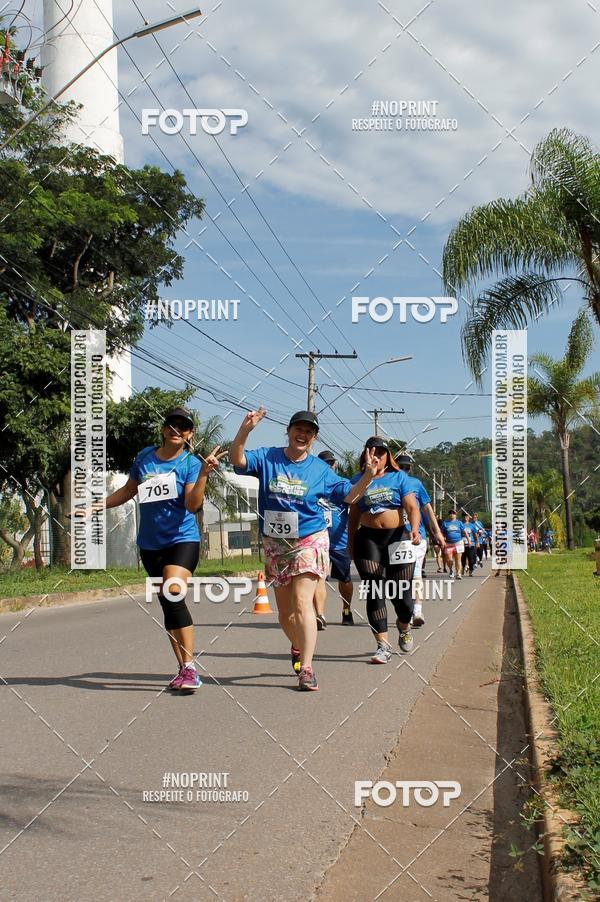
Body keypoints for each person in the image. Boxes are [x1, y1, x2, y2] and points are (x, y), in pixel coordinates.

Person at [72, 407, 225, 693]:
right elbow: (129, 490)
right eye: (172, 424)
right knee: (169, 604)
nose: (176, 430)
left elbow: (192, 505)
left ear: (190, 435)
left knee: (173, 591)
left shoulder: (191, 463)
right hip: (150, 544)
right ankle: (182, 668)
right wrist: (96, 506)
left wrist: (204, 473)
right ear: (163, 429)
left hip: (182, 539)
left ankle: (191, 668)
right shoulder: (145, 457)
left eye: (184, 427)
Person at [230, 408, 377, 691]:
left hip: (310, 539)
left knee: (301, 603)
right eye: (298, 429)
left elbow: (349, 495)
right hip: (275, 542)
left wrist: (368, 476)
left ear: (314, 438)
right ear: (288, 431)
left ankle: (307, 668)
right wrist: (245, 430)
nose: (302, 434)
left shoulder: (320, 470)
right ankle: (297, 646)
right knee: (285, 613)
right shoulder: (268, 457)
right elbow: (238, 460)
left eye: (309, 432)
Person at [347, 437, 420, 664]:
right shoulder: (359, 479)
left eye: (381, 452)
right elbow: (353, 515)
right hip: (368, 540)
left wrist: (415, 529)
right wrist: (350, 542)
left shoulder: (399, 477)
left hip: (398, 538)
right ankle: (383, 646)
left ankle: (403, 625)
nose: (376, 456)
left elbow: (411, 507)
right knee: (374, 589)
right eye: (372, 452)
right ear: (365, 456)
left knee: (403, 599)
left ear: (388, 457)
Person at [394, 453, 445, 628]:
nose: (403, 470)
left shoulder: (416, 484)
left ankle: (417, 611)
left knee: (415, 574)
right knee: (401, 578)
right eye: (400, 466)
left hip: (417, 537)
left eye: (406, 467)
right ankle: (404, 612)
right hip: (395, 539)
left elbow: (427, 508)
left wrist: (437, 531)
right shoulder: (388, 482)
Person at [314, 449, 355, 627]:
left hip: (340, 541)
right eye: (324, 464)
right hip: (316, 540)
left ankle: (346, 609)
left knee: (344, 579)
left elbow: (354, 503)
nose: (328, 466)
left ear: (335, 465)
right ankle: (319, 615)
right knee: (317, 578)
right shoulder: (313, 483)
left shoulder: (342, 484)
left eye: (330, 463)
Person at [440, 510, 469, 579]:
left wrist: (469, 540)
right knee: (449, 559)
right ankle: (451, 570)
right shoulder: (445, 523)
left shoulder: (459, 523)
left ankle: (458, 574)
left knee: (458, 559)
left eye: (453, 513)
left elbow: (464, 532)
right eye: (450, 513)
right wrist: (442, 540)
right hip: (449, 543)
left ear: (455, 515)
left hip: (458, 543)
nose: (451, 514)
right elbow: (441, 533)